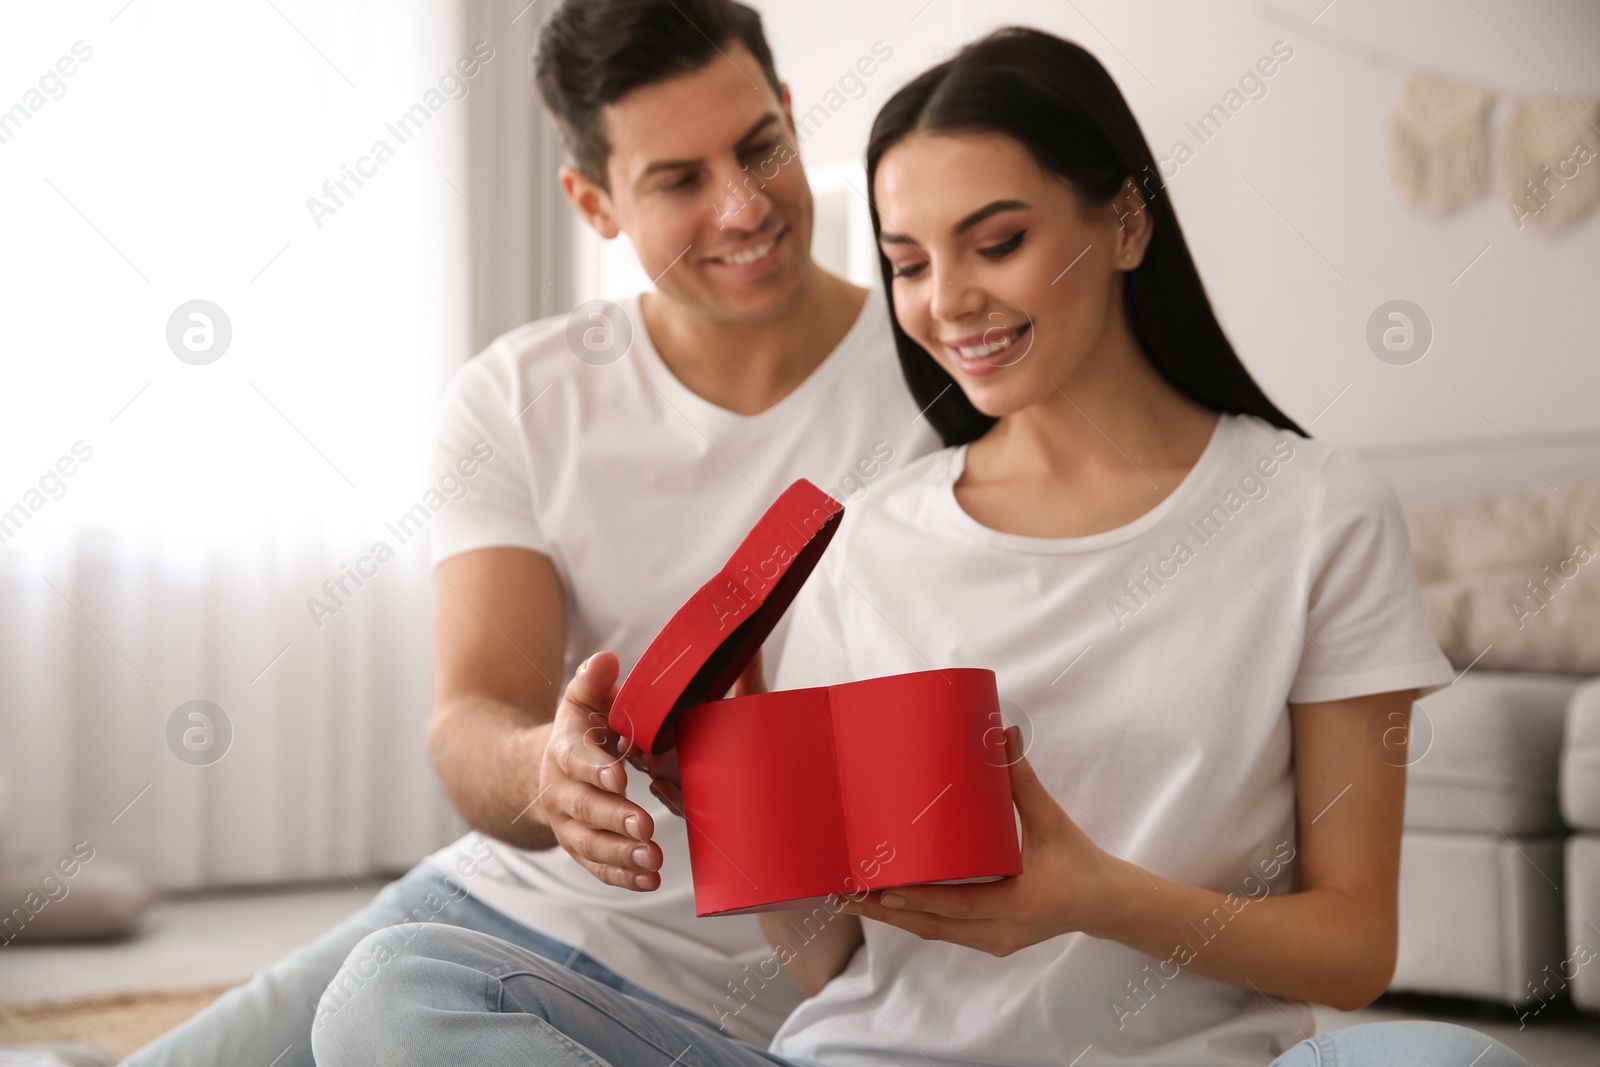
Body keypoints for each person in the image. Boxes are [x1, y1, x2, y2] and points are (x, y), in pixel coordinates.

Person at [307, 27, 1533, 1067]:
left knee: (1449, 1055)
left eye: (994, 242)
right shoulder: (871, 531)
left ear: (1122, 222)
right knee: (391, 989)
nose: (946, 301)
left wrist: (1096, 895)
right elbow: (828, 954)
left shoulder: (1316, 510)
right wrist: (745, 803)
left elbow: (1355, 948)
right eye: (906, 261)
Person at [123, 2, 937, 1064]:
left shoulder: (944, 376)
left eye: (758, 148)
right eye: (678, 180)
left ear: (792, 114)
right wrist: (546, 772)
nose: (743, 207)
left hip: (764, 984)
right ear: (593, 202)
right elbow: (470, 716)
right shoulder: (519, 395)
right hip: (496, 913)